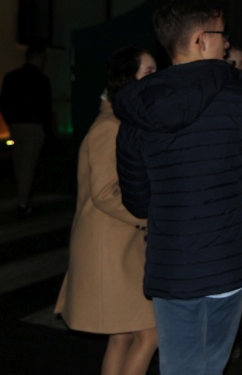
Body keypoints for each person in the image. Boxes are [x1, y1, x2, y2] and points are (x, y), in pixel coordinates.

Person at [112, 0, 242, 375]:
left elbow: (137, 201)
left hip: (173, 266)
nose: (227, 43)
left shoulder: (138, 111)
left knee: (179, 365)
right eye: (222, 34)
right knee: (211, 363)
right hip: (229, 262)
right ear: (202, 40)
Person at [54, 45, 159, 375]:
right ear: (128, 79)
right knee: (149, 333)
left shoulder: (122, 120)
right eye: (148, 72)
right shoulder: (109, 126)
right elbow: (104, 193)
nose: (156, 79)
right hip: (110, 247)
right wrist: (151, 215)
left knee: (123, 336)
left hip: (119, 245)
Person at [0, 41, 53, 218]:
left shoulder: (11, 77)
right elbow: (46, 108)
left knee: (19, 163)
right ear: (40, 59)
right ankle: (23, 203)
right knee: (28, 166)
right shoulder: (42, 79)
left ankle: (23, 198)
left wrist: (11, 122)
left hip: (16, 126)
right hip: (34, 127)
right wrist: (48, 131)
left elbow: (4, 103)